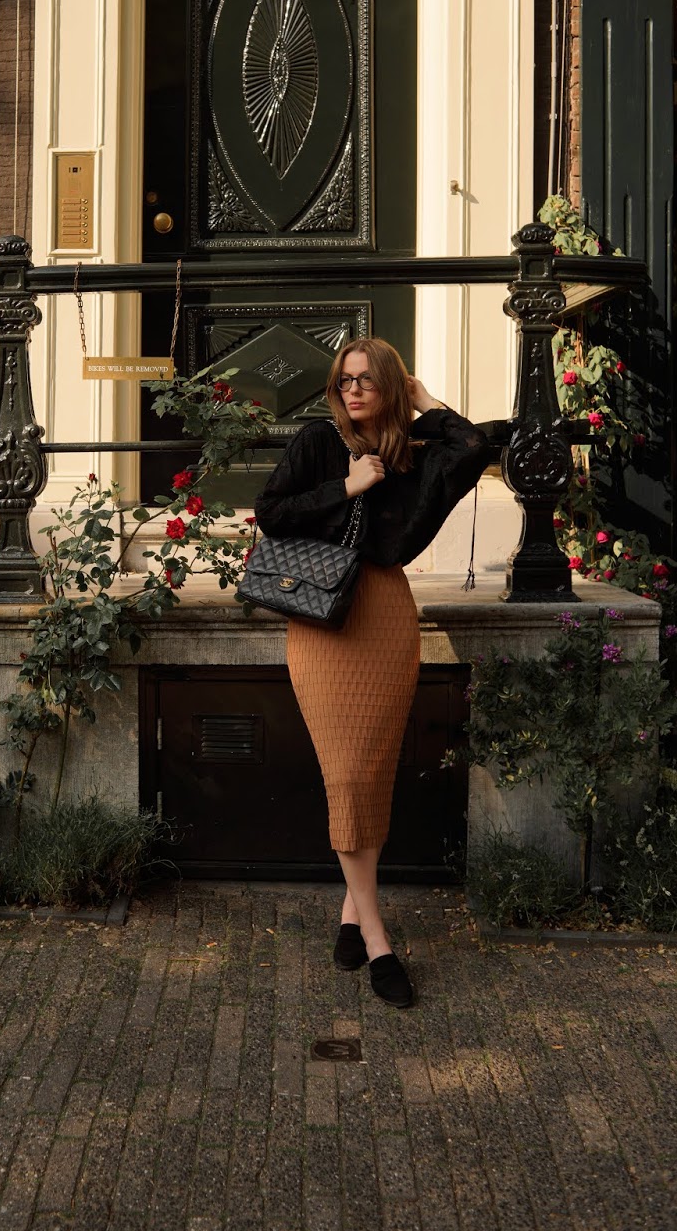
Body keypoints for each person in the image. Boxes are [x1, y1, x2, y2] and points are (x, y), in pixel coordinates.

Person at [253, 337, 490, 1008]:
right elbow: (270, 513)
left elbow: (473, 447)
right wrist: (345, 487)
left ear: (390, 386)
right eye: (344, 380)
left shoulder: (413, 453)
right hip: (322, 620)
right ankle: (379, 938)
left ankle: (351, 915)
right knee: (348, 774)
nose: (352, 390)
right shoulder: (317, 441)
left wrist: (423, 400)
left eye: (367, 380)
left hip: (384, 615)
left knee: (375, 769)